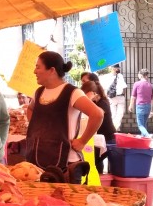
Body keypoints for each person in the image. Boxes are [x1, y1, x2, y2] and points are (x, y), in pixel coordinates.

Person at [25, 51, 104, 183]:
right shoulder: (39, 92)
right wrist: (37, 130)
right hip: (38, 161)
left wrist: (82, 141)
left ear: (51, 70)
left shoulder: (72, 92)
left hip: (66, 164)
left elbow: (97, 114)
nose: (34, 71)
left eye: (38, 67)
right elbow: (30, 109)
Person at [81, 79, 115, 174]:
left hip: (108, 139)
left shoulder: (103, 103)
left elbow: (97, 115)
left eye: (85, 94)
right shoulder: (95, 103)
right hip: (97, 139)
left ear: (93, 93)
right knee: (92, 158)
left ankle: (98, 178)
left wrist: (89, 100)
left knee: (95, 160)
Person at [128, 69, 153, 137]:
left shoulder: (137, 84)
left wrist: (131, 105)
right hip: (148, 106)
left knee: (140, 125)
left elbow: (133, 96)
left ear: (141, 75)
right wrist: (151, 110)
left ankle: (147, 135)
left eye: (138, 74)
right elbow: (152, 99)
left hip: (140, 106)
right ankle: (144, 138)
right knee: (144, 124)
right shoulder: (150, 85)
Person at [102, 65, 127, 129]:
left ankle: (115, 127)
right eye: (116, 68)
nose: (117, 69)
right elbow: (105, 88)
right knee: (113, 114)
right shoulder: (108, 77)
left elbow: (124, 86)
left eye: (118, 68)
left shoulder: (120, 76)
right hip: (112, 97)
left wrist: (123, 94)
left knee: (120, 113)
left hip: (119, 96)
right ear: (112, 68)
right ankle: (114, 128)